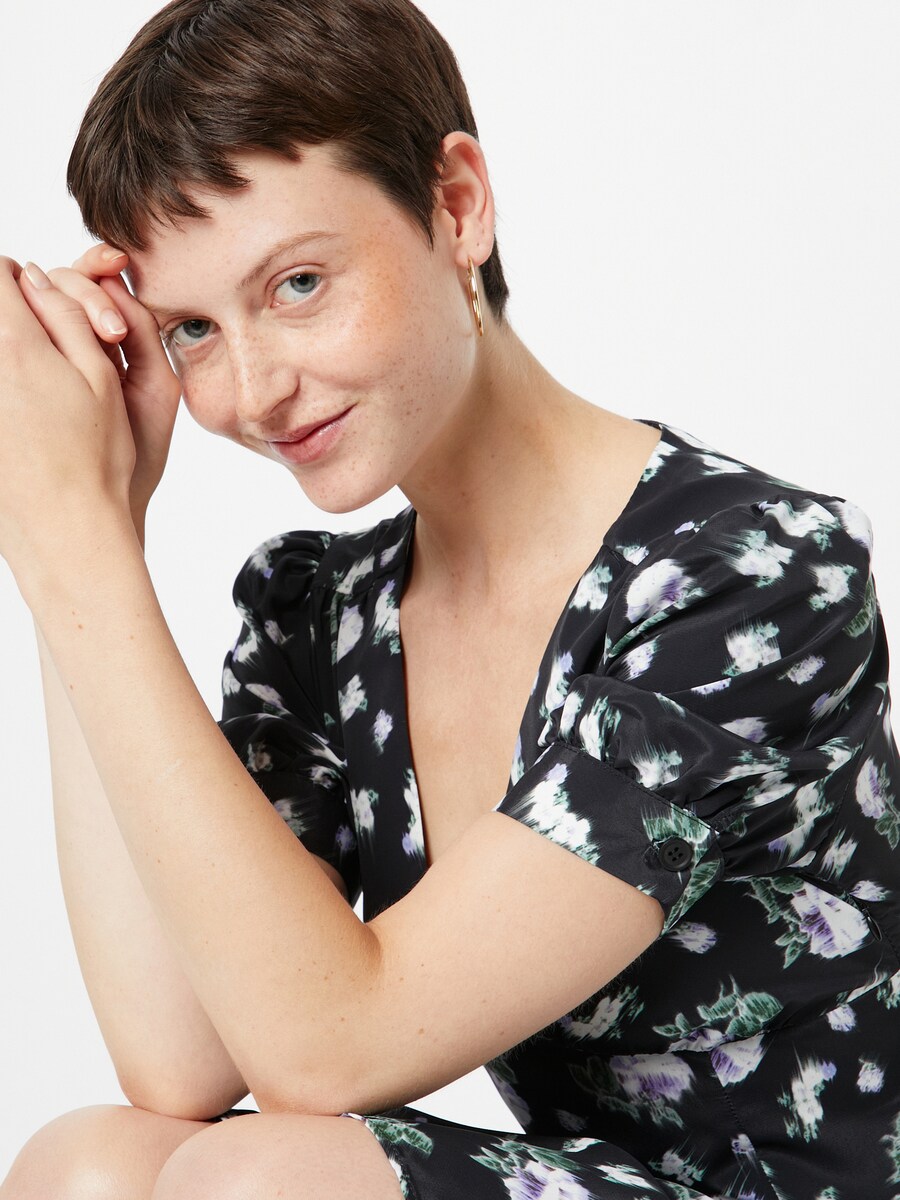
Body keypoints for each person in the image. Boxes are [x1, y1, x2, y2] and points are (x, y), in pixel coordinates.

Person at [1, 0, 897, 1196]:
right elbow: (184, 1060)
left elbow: (331, 1047)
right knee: (94, 1162)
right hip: (593, 1176)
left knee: (260, 1181)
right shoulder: (322, 619)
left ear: (457, 205)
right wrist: (80, 530)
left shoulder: (750, 582)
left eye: (298, 283)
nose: (256, 389)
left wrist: (77, 544)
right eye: (193, 331)